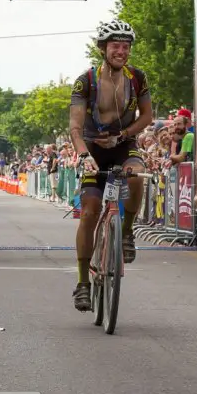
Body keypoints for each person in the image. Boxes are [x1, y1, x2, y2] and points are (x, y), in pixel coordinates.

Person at [69, 19, 153, 312]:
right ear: (103, 48)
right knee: (90, 212)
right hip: (92, 148)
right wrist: (84, 156)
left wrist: (124, 134)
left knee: (136, 177)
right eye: (116, 46)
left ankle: (127, 233)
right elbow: (75, 128)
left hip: (123, 145)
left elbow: (147, 117)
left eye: (126, 46)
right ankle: (82, 282)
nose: (122, 51)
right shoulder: (86, 81)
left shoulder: (137, 78)